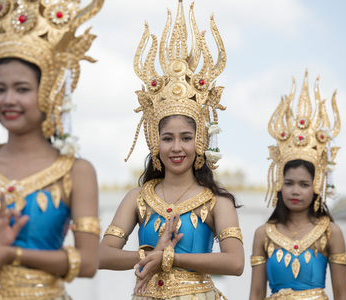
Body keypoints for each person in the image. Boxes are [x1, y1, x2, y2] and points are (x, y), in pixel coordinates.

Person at [0, 1, 104, 299]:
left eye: (22, 89)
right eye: (0, 89)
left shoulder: (77, 171)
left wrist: (10, 253)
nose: (8, 100)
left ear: (49, 92)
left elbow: (89, 262)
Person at [99, 1, 244, 299]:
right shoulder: (138, 198)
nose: (176, 147)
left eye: (186, 138)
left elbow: (235, 262)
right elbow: (102, 255)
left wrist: (170, 258)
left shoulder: (217, 201)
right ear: (156, 142)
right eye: (167, 138)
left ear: (200, 141)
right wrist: (147, 255)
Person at [249, 71, 346, 300]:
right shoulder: (263, 234)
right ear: (278, 184)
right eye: (289, 183)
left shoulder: (330, 232)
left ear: (316, 185)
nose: (295, 191)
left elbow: (342, 295)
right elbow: (255, 293)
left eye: (304, 184)